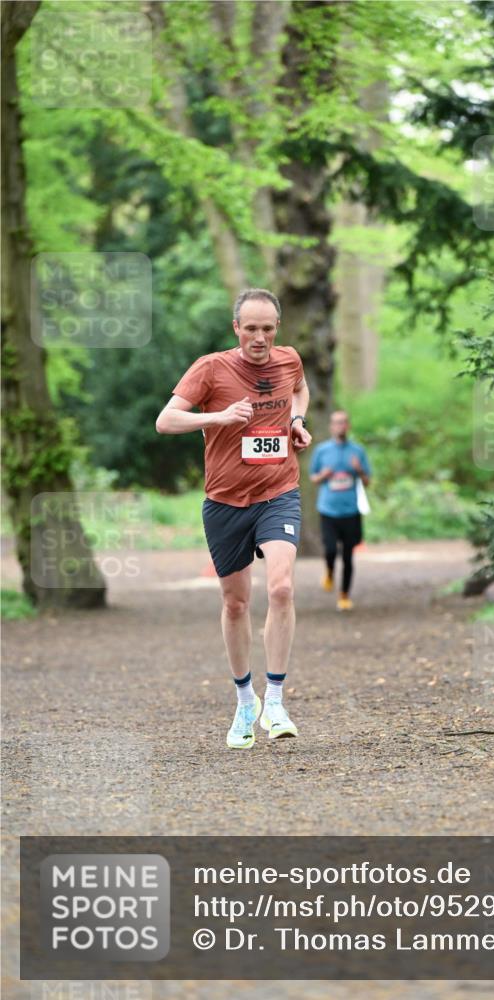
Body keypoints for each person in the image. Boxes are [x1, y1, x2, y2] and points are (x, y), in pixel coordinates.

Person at [156, 288, 311, 749]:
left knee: (282, 587)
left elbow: (299, 390)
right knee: (236, 603)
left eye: (267, 328)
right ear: (236, 329)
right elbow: (165, 421)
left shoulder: (289, 361)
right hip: (225, 502)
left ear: (276, 328)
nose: (259, 338)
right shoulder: (211, 368)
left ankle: (277, 699)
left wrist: (297, 422)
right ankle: (246, 701)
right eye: (251, 329)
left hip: (278, 491)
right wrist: (219, 417)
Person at [309, 411, 371, 611]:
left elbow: (367, 482)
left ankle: (344, 595)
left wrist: (359, 469)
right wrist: (324, 475)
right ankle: (328, 571)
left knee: (347, 555)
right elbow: (313, 478)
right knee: (330, 550)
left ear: (348, 426)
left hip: (351, 510)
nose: (340, 426)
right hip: (328, 509)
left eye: (343, 423)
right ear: (331, 427)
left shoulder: (358, 451)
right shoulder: (322, 450)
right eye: (336, 423)